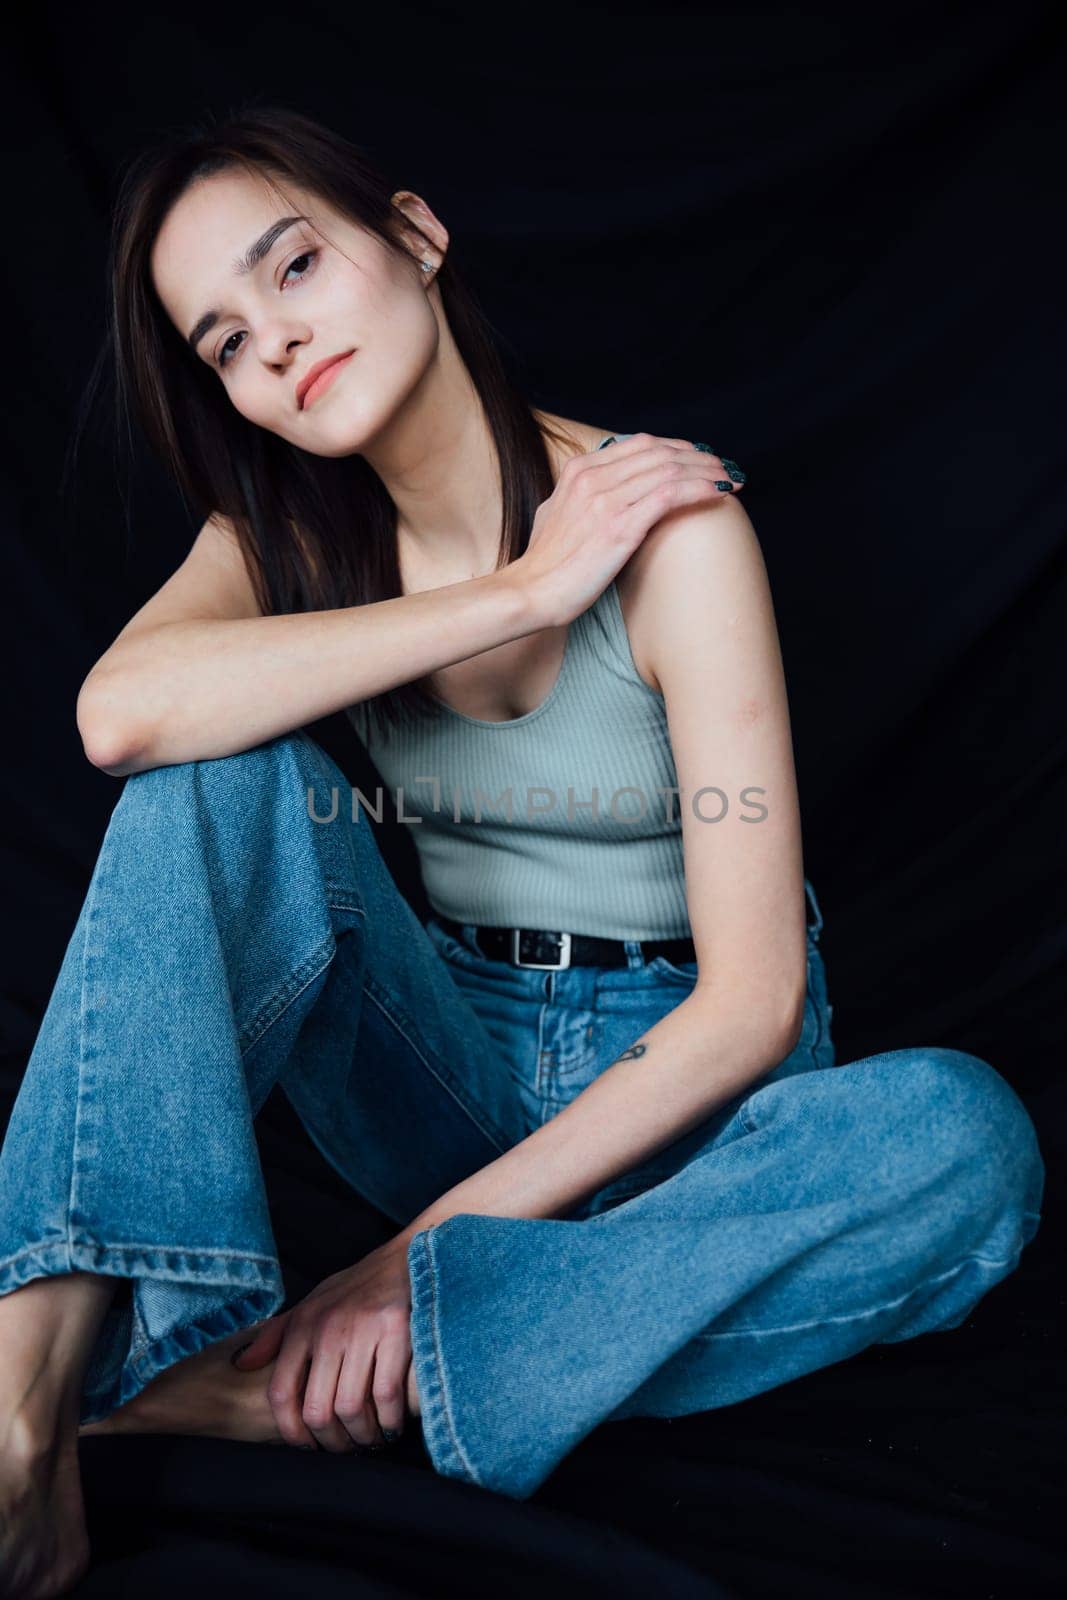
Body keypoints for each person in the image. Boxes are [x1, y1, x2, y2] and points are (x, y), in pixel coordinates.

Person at [0, 105, 1043, 1599]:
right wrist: (519, 591)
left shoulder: (670, 526)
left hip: (692, 1103)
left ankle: (268, 1388)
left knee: (966, 1139)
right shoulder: (278, 538)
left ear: (415, 238)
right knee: (201, 784)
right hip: (451, 1058)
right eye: (224, 343)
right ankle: (20, 1416)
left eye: (293, 268)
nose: (275, 347)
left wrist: (395, 1272)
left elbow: (748, 1015)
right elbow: (118, 718)